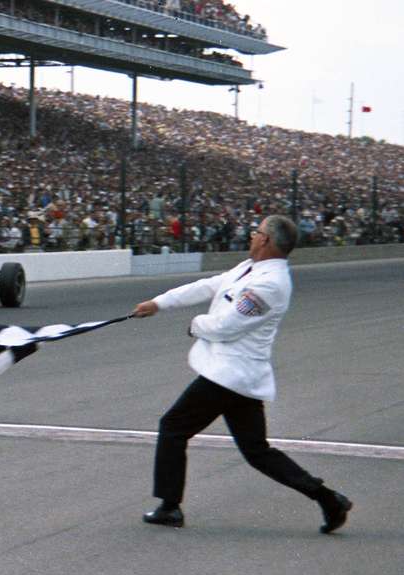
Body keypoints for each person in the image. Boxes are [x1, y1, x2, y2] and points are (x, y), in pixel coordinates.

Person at [132, 215, 352, 534]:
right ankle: (328, 499)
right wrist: (159, 303)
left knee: (173, 426)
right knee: (256, 452)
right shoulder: (250, 268)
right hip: (237, 376)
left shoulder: (270, 285)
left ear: (265, 241)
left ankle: (169, 506)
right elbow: (209, 286)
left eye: (256, 232)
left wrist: (194, 326)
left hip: (229, 373)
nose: (251, 236)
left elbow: (227, 327)